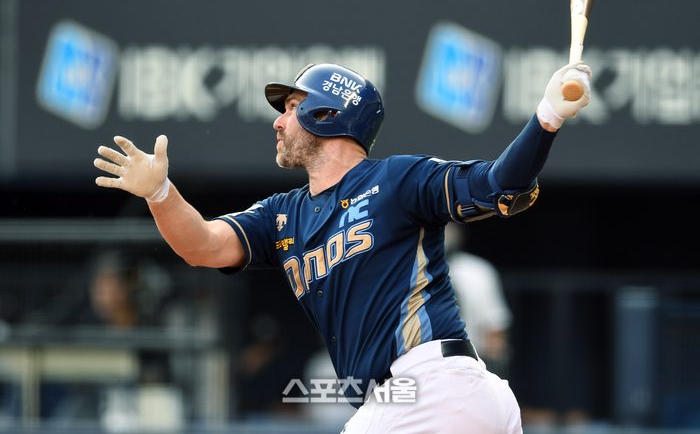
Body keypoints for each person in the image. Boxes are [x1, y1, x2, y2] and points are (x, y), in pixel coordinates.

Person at [93, 61, 591, 434]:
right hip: (423, 400)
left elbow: (499, 184)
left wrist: (547, 116)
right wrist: (160, 194)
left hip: (429, 387)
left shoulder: (396, 179)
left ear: (328, 114)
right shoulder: (282, 214)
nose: (278, 122)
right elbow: (202, 246)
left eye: (292, 107)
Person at [444, 222, 512, 378]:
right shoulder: (408, 271)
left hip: (469, 364)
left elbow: (495, 328)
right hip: (419, 364)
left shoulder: (477, 271)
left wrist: (493, 370)